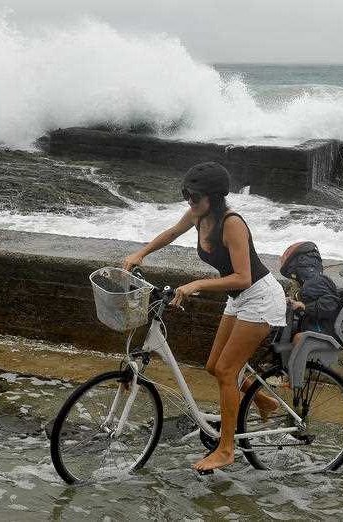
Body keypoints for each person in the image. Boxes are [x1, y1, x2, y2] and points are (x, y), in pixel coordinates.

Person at [123, 162, 287, 472]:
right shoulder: (198, 215)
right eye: (186, 195)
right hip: (239, 299)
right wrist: (140, 253)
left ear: (213, 197)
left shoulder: (232, 223)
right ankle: (265, 401)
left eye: (194, 197)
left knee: (227, 371)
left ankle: (226, 450)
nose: (189, 201)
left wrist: (198, 283)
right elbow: (172, 232)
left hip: (261, 298)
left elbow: (243, 277)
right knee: (214, 366)